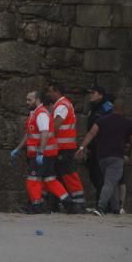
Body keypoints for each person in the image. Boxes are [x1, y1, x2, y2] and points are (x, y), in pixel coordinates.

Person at [12, 90, 75, 215]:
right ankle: (68, 203)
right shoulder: (34, 114)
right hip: (46, 154)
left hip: (42, 155)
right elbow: (29, 134)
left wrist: (40, 153)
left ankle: (37, 206)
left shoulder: (41, 114)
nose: (26, 102)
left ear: (37, 100)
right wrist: (18, 149)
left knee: (32, 180)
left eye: (29, 100)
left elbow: (45, 133)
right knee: (50, 180)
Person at [75, 101, 132, 216]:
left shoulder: (101, 120)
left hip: (102, 157)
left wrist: (82, 147)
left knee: (112, 181)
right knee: (110, 182)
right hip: (116, 156)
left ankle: (115, 208)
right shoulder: (128, 123)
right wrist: (129, 149)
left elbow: (91, 133)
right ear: (124, 110)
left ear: (113, 108)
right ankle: (101, 207)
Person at [46, 82, 85, 213]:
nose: (49, 94)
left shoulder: (61, 106)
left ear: (57, 92)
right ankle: (58, 204)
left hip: (64, 147)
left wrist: (45, 137)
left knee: (68, 175)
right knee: (58, 176)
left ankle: (78, 203)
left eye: (50, 91)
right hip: (64, 147)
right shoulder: (64, 104)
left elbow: (56, 126)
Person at [84, 85, 116, 210]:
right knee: (93, 175)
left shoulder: (107, 108)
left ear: (101, 95)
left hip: (103, 147)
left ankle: (103, 204)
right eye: (90, 93)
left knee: (100, 176)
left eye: (93, 93)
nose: (90, 95)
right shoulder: (93, 108)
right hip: (94, 147)